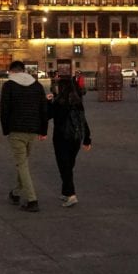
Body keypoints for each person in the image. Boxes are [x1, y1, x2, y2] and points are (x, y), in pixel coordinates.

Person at [0, 60, 49, 212]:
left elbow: (4, 109)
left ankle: (32, 200)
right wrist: (43, 130)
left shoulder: (8, 85)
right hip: (32, 130)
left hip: (16, 130)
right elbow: (44, 109)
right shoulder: (37, 85)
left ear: (12, 71)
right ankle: (15, 193)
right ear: (23, 70)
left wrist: (6, 130)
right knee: (23, 163)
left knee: (22, 164)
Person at [48, 73, 92, 207]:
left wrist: (47, 101)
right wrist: (87, 139)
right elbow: (83, 120)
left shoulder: (59, 102)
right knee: (69, 165)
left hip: (61, 138)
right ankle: (66, 191)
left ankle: (71, 195)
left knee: (64, 166)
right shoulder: (77, 101)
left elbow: (47, 115)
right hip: (76, 138)